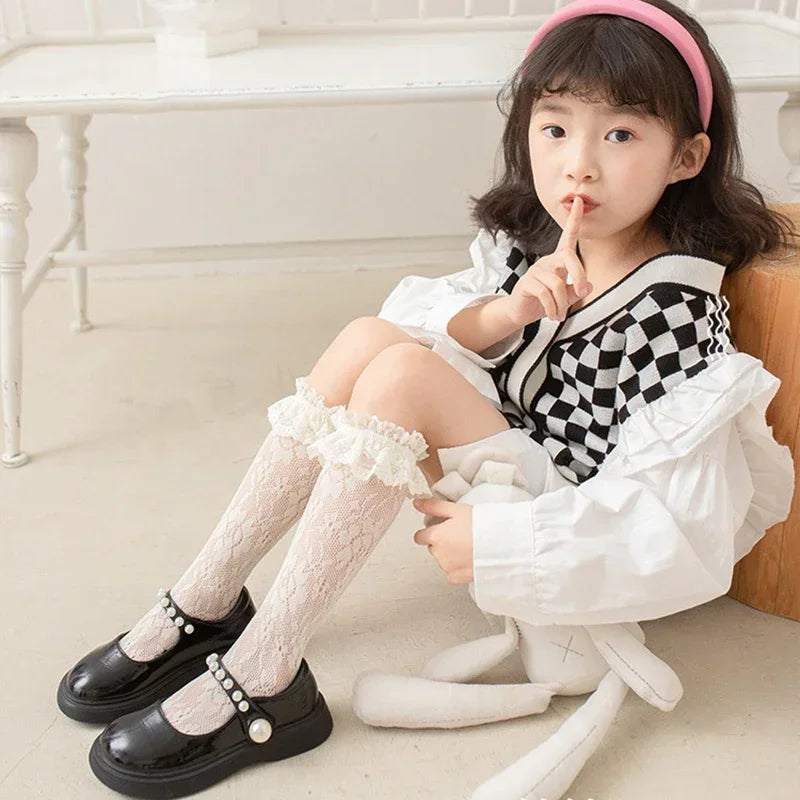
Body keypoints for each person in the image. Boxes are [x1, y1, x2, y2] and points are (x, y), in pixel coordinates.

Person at [57, 0, 797, 797]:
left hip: (570, 533)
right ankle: (207, 598)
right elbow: (453, 332)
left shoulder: (672, 311)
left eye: (619, 135)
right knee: (369, 339)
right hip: (513, 462)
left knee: (402, 376)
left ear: (685, 157)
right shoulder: (537, 242)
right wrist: (510, 312)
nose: (578, 166)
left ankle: (267, 668)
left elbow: (675, 518)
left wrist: (507, 542)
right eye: (555, 129)